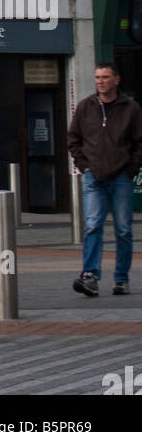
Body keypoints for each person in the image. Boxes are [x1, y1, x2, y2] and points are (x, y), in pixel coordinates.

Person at [67, 63, 142, 297]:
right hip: (93, 176)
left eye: (106, 77)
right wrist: (84, 166)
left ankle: (121, 279)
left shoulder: (131, 108)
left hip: (121, 176)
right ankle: (90, 276)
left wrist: (130, 169)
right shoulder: (85, 107)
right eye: (98, 77)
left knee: (123, 229)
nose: (101, 81)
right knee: (93, 225)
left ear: (116, 80)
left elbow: (140, 142)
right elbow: (73, 139)